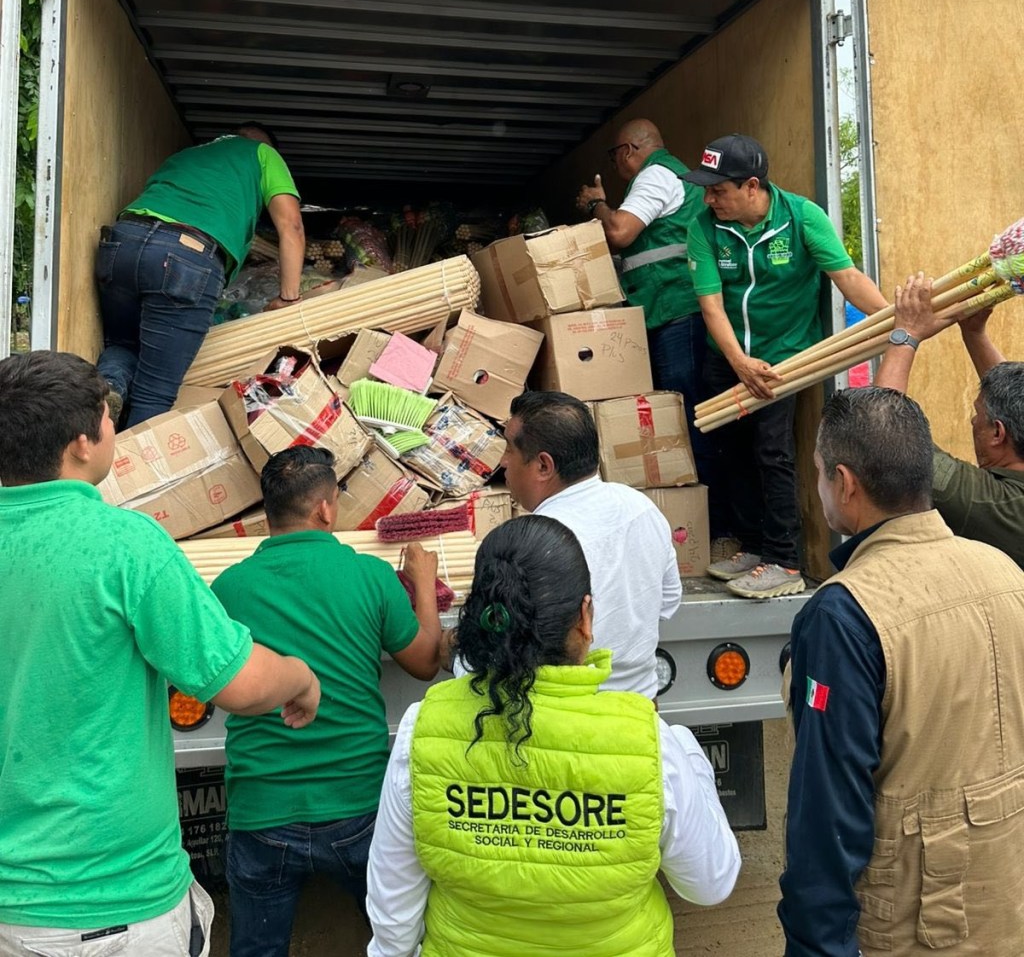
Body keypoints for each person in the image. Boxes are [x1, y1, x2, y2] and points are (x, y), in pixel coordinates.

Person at [0, 351, 321, 957]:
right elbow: (240, 685)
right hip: (111, 906)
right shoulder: (123, 545)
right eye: (107, 418)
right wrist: (301, 677)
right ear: (81, 442)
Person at [366, 514, 740, 957]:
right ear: (585, 617)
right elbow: (709, 883)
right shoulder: (651, 743)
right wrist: (687, 749)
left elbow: (394, 912)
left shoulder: (421, 729)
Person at [779, 387, 1024, 956]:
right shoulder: (1005, 571)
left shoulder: (844, 613)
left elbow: (827, 815)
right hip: (1005, 903)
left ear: (844, 482)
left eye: (818, 474)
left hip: (917, 925)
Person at [210, 445, 443, 957]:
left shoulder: (225, 589)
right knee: (401, 940)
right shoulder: (369, 576)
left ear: (268, 511)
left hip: (261, 811)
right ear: (326, 509)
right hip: (358, 808)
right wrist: (423, 583)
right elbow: (426, 663)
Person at [684, 133, 887, 598]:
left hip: (784, 361)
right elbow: (711, 305)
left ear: (751, 186)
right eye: (707, 189)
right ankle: (752, 545)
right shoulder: (703, 227)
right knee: (728, 450)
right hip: (729, 357)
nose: (709, 198)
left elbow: (848, 278)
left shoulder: (801, 217)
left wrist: (894, 319)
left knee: (772, 453)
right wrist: (738, 362)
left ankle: (785, 560)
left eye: (718, 189)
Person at [97, 122, 306, 428]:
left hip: (123, 241)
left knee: (122, 345)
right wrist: (289, 298)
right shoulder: (263, 154)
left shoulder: (187, 155)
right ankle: (127, 473)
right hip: (185, 257)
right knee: (154, 393)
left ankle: (106, 393)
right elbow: (292, 226)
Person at [500, 389, 680, 698]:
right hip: (640, 709)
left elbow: (508, 649)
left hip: (570, 716)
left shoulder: (533, 541)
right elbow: (669, 602)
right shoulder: (641, 507)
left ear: (544, 466)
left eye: (509, 449)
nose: (502, 462)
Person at [575, 119, 714, 483]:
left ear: (628, 151)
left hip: (676, 313)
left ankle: (709, 517)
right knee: (684, 417)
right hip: (671, 312)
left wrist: (597, 205)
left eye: (614, 155)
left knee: (682, 419)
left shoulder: (656, 176)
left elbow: (620, 231)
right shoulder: (677, 176)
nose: (614, 165)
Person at [873, 271, 1024, 566]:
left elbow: (882, 431)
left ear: (998, 433)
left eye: (977, 415)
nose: (971, 422)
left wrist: (906, 334)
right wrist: (974, 333)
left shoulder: (992, 504)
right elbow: (1012, 397)